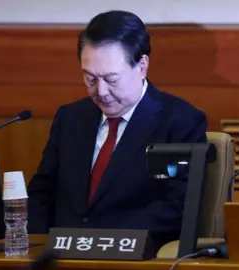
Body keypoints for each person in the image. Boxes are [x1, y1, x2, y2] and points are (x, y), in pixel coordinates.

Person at [27, 10, 207, 250]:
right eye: (90, 78)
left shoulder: (176, 123)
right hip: (60, 256)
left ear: (142, 66)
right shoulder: (70, 118)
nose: (100, 91)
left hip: (132, 256)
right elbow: (42, 193)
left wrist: (96, 242)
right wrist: (36, 246)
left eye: (111, 79)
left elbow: (173, 206)